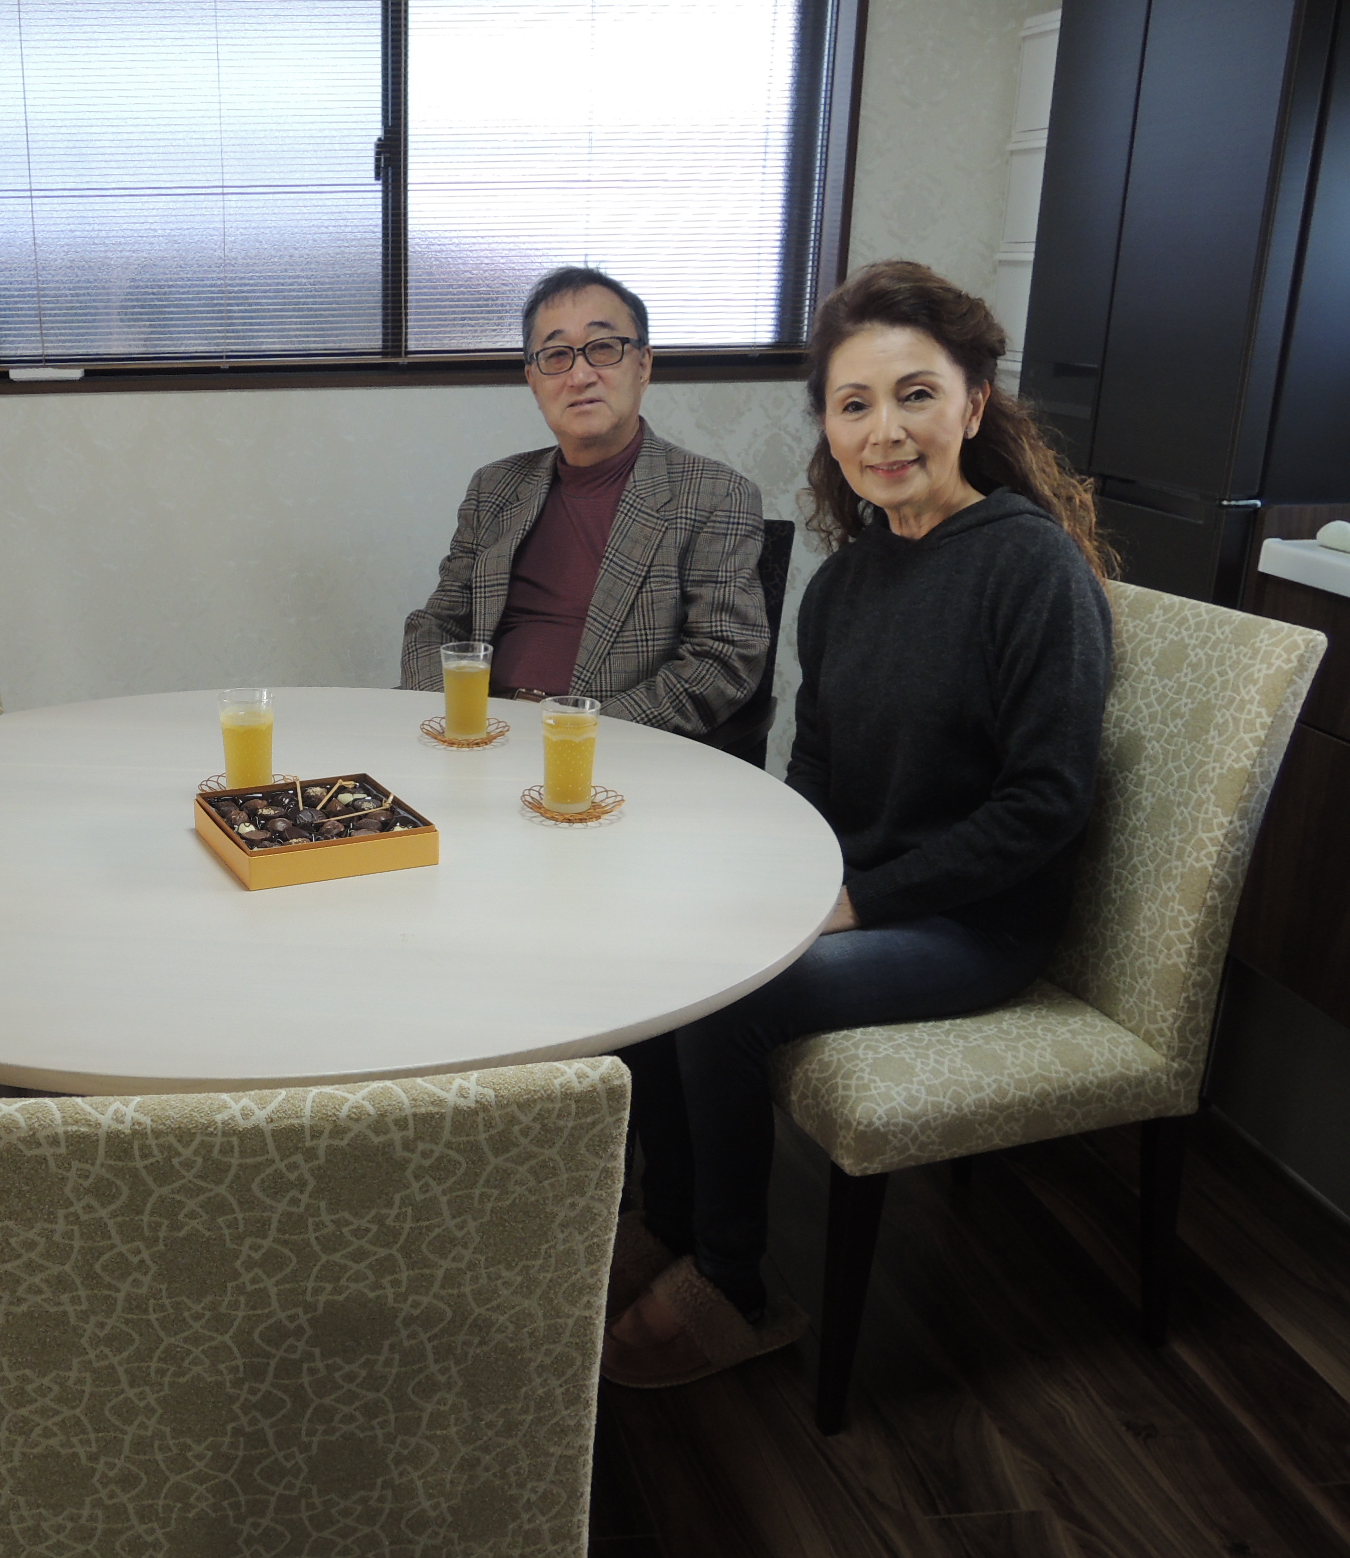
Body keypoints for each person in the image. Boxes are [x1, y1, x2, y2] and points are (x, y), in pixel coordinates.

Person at [602, 260, 1118, 1388]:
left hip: (977, 924)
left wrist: (855, 900)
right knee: (655, 946)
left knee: (729, 1004)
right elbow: (820, 773)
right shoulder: (844, 585)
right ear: (829, 429)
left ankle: (733, 1283)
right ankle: (672, 1219)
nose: (885, 430)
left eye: (915, 394)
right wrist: (769, 879)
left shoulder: (1030, 567)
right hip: (864, 894)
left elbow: (1044, 803)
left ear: (972, 406)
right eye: (854, 404)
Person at [399, 267, 769, 738]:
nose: (579, 375)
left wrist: (575, 732)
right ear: (533, 380)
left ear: (643, 365)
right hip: (475, 734)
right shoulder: (495, 487)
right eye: (556, 355)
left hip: (603, 746)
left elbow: (722, 658)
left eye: (603, 348)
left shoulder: (715, 494)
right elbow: (437, 624)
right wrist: (452, 716)